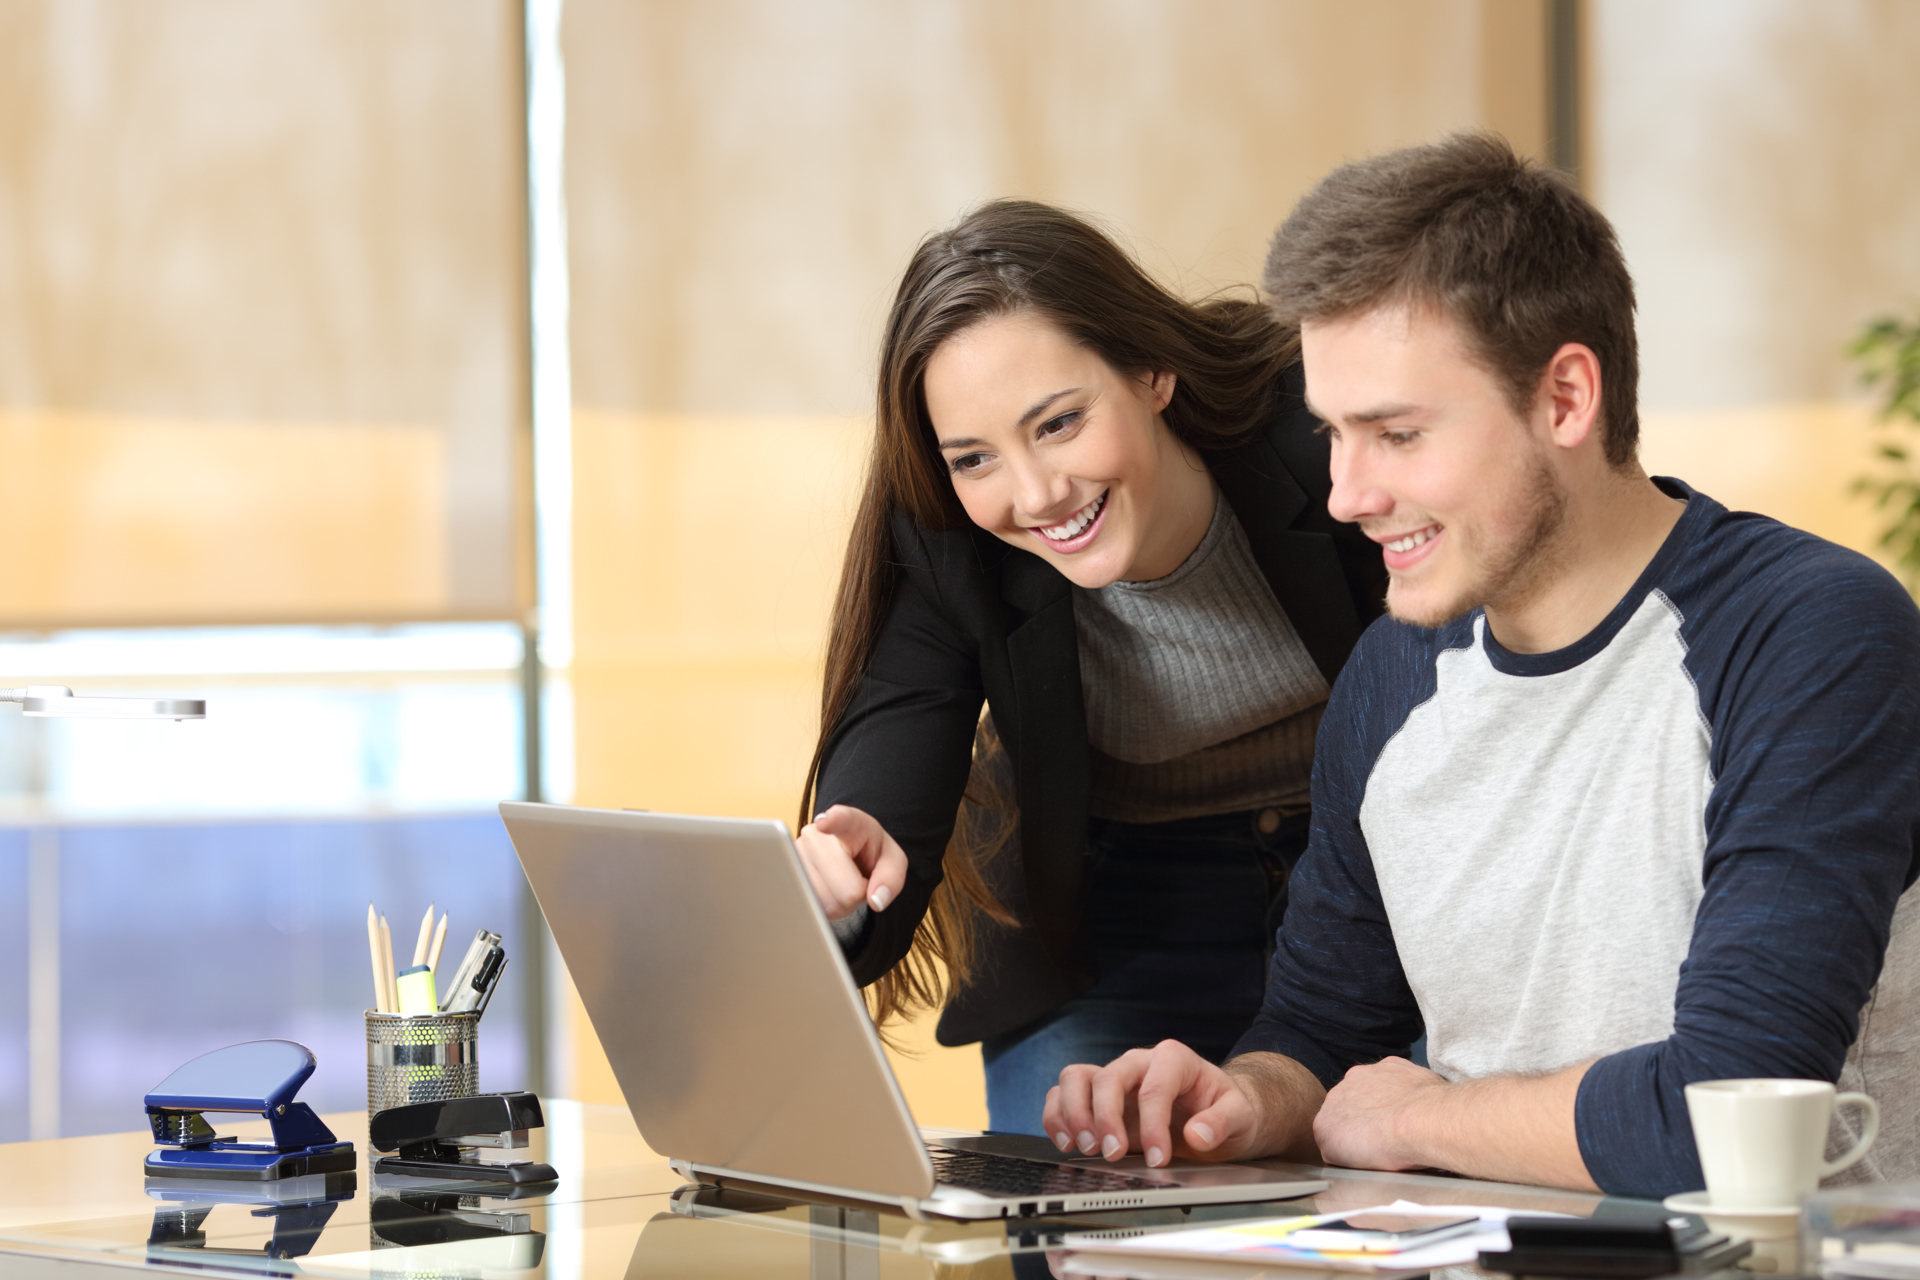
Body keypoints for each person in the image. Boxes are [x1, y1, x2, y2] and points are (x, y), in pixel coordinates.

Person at [1042, 134, 1920, 1197]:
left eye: (1397, 434)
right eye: (1334, 434)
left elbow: (1725, 1114)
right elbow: (1323, 1027)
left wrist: (1428, 1111)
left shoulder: (1810, 633)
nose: (1346, 494)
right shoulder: (1390, 677)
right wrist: (1243, 1098)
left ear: (1564, 398)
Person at [794, 200, 1386, 1135]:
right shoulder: (953, 532)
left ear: (1153, 371)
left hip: (1368, 874)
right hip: (1113, 910)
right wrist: (840, 872)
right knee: (1078, 1220)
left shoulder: (1318, 428)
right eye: (975, 457)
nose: (1035, 496)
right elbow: (887, 764)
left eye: (1060, 424)